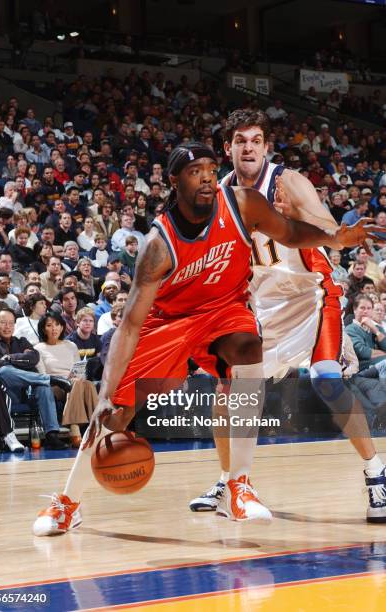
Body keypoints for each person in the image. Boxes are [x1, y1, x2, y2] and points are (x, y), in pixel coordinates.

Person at [32, 142, 379, 536]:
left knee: (250, 350)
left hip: (224, 311)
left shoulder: (243, 204)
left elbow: (291, 231)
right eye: (196, 172)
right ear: (175, 180)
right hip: (168, 324)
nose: (208, 178)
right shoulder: (158, 246)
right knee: (114, 415)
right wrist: (108, 390)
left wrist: (335, 238)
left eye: (212, 170)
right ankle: (67, 503)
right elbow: (129, 325)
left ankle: (239, 486)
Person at [190, 110, 386, 523]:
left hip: (310, 295)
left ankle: (376, 471)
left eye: (256, 140)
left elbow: (327, 227)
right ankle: (231, 481)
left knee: (327, 380)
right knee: (227, 393)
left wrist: (297, 220)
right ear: (228, 148)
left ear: (265, 146)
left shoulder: (287, 182)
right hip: (262, 306)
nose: (249, 147)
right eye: (241, 140)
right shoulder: (221, 194)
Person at [0, 308, 68, 450]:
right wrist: (21, 361)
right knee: (4, 371)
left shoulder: (22, 341)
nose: (7, 327)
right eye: (3, 323)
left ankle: (52, 435)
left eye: (11, 323)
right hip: (5, 394)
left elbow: (34, 357)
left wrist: (10, 358)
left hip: (28, 391)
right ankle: (49, 379)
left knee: (43, 387)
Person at [35, 311, 99, 448]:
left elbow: (79, 368)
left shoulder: (71, 345)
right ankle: (79, 431)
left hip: (73, 383)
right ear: (43, 328)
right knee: (78, 385)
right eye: (49, 325)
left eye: (57, 325)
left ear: (62, 327)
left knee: (87, 384)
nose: (54, 328)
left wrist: (77, 377)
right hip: (54, 385)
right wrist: (63, 380)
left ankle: (85, 428)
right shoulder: (38, 348)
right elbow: (42, 375)